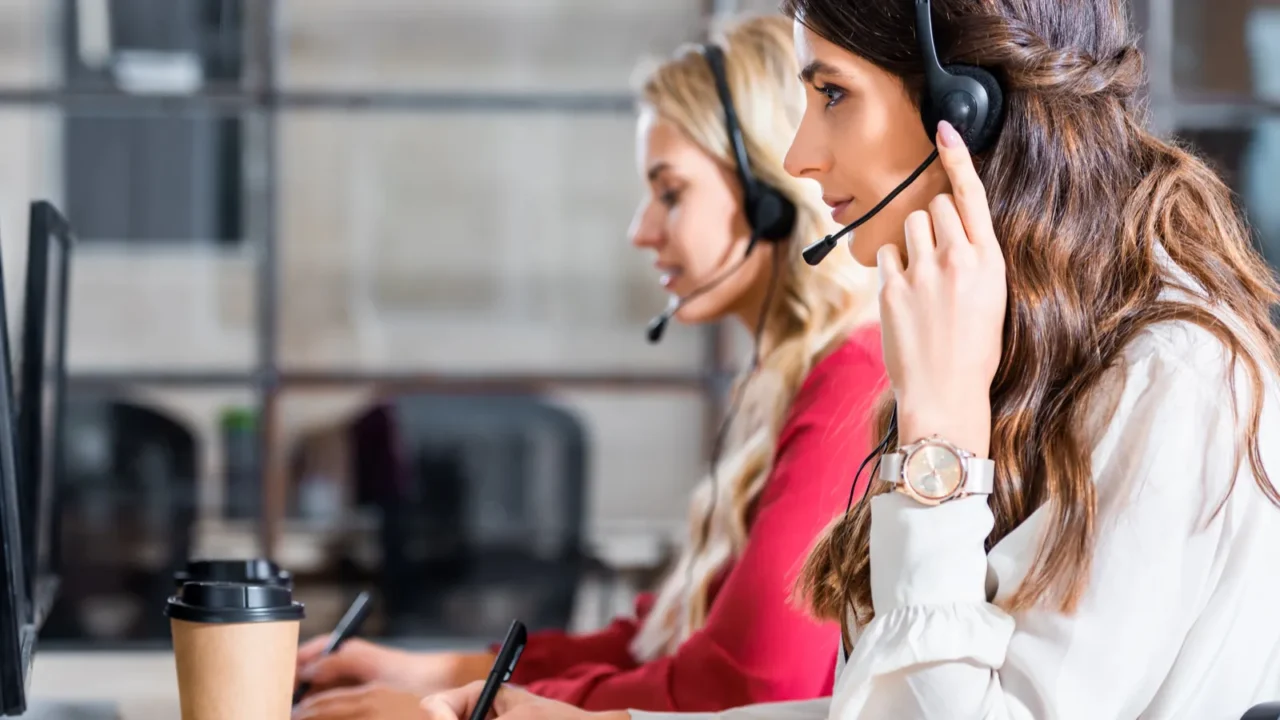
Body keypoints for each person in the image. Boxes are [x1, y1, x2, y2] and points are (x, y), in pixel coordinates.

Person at [418, 0, 1280, 719]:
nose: (800, 156)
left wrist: (940, 441)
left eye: (832, 92)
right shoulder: (1024, 351)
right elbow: (885, 706)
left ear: (967, 108)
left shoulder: (1170, 379)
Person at [292, 13, 887, 720]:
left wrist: (467, 708)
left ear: (767, 201)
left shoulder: (853, 377)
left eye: (670, 193)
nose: (641, 230)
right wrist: (439, 673)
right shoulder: (783, 383)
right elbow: (655, 645)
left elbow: (743, 688)